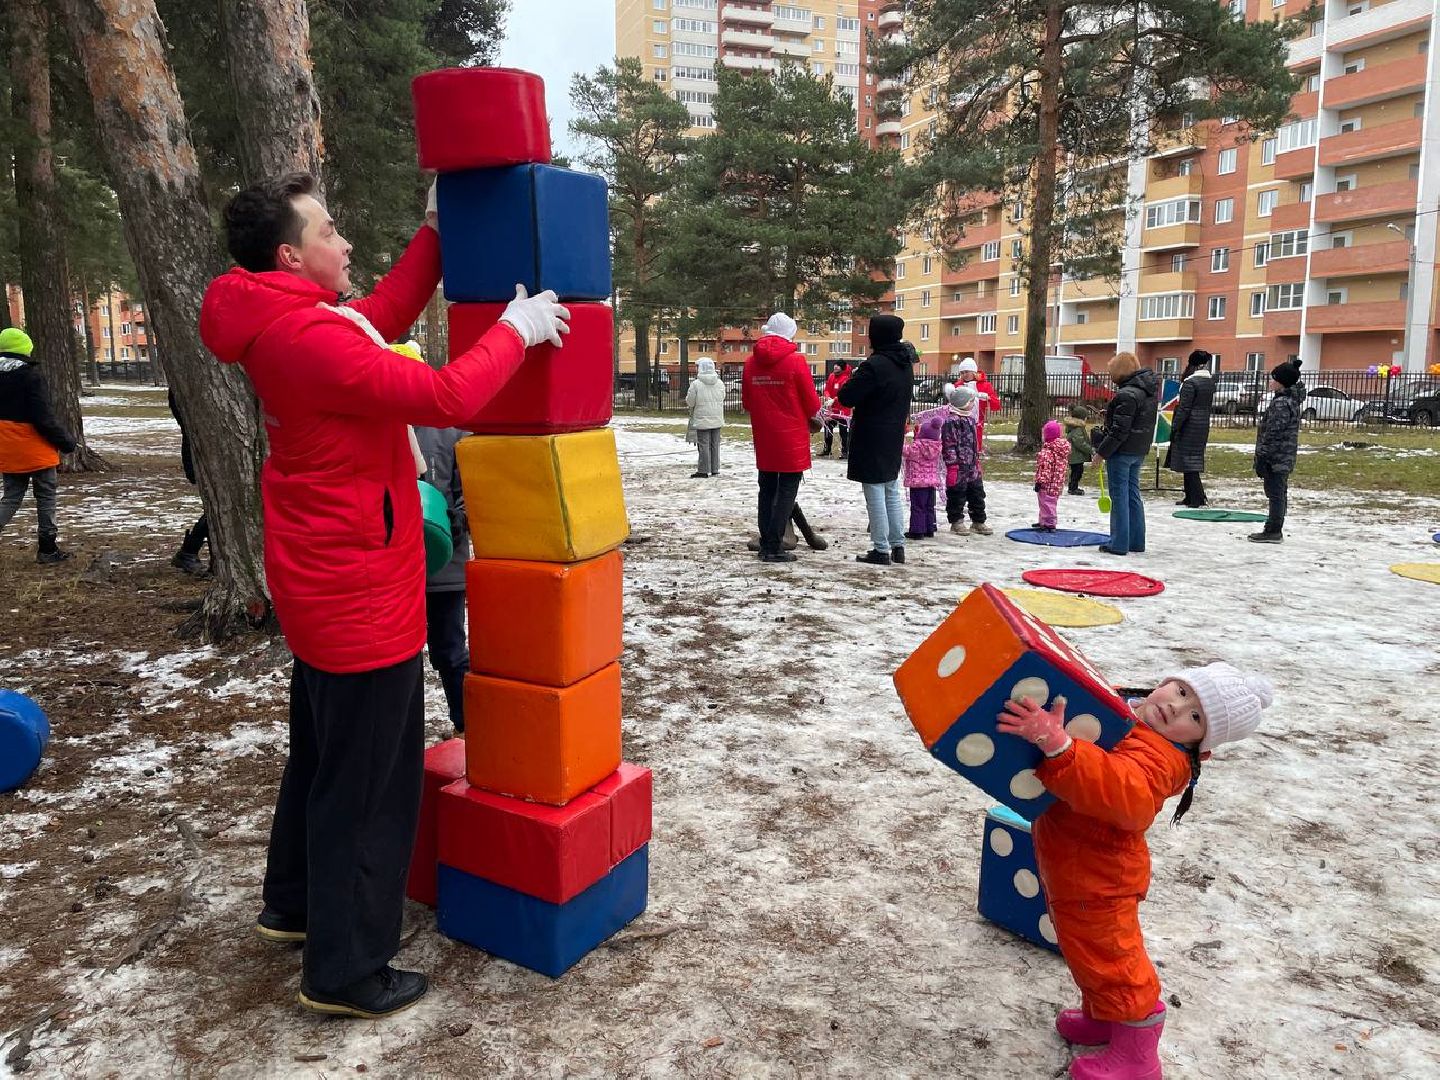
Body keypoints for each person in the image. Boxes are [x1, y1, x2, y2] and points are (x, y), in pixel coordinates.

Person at [199, 171, 569, 1018]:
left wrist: (437, 230)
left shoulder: (295, 319)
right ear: (291, 254)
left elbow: (386, 312)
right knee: (368, 784)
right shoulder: (310, 340)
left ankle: (292, 906)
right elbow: (446, 395)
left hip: (327, 578)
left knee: (324, 756)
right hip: (360, 589)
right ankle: (346, 970)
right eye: (331, 232)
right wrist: (514, 331)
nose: (347, 243)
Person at [996, 662, 1273, 1080]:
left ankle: (1138, 1055)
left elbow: (1124, 794)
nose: (1176, 710)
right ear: (1163, 683)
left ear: (1201, 745)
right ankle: (1107, 1016)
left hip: (1101, 878)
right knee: (1087, 954)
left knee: (1113, 962)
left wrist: (1060, 745)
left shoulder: (1162, 756)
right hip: (1073, 864)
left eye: (1196, 717)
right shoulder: (1129, 714)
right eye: (1181, 692)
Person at [741, 312, 820, 563]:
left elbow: (747, 401)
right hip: (791, 436)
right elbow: (811, 402)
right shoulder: (796, 361)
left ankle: (767, 541)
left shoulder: (750, 362)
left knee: (766, 490)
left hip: (765, 435)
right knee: (786, 491)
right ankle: (775, 546)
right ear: (789, 333)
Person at [839, 314, 913, 565]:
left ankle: (881, 549)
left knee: (874, 491)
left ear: (876, 336)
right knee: (891, 490)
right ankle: (898, 545)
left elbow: (847, 397)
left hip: (872, 435)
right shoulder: (905, 363)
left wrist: (857, 375)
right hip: (893, 435)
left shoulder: (875, 365)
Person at [0, 327, 76, 564]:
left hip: (6, 444)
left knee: (11, 497)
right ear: (25, 348)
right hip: (35, 446)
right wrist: (65, 442)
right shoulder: (31, 376)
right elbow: (43, 417)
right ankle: (47, 549)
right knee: (46, 497)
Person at [413, 424, 469, 734]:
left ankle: (470, 727)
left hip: (446, 569)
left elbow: (473, 490)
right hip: (395, 572)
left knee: (449, 651)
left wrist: (460, 517)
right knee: (401, 661)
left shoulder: (453, 433)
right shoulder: (385, 424)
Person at [1092, 352, 1158, 557]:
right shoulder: (1146, 391)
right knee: (1132, 495)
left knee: (1119, 496)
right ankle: (1136, 541)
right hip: (1138, 450)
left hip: (1121, 452)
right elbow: (1135, 421)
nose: (1110, 376)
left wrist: (1101, 453)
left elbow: (1120, 430)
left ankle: (1119, 543)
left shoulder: (1126, 395)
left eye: (1111, 372)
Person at [1250, 359, 1304, 544]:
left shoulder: (1281, 403)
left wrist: (1263, 456)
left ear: (1281, 381)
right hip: (1282, 456)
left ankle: (1273, 530)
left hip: (1277, 457)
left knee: (1275, 493)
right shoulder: (1289, 400)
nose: (1270, 382)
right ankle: (1273, 528)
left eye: (1273, 378)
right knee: (1277, 492)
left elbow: (1273, 433)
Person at [1166, 349, 1216, 508]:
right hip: (1202, 425)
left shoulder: (1190, 383)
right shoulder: (1209, 382)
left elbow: (1184, 408)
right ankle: (1191, 496)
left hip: (1189, 425)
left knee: (1188, 463)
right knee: (1192, 460)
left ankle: (1196, 498)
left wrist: (1175, 427)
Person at [168, 388, 210, 575]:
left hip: (202, 452)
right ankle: (189, 551)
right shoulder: (185, 386)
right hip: (200, 453)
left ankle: (191, 552)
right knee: (218, 507)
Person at [940, 383, 990, 536]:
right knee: (957, 493)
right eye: (970, 402)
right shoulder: (951, 421)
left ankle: (978, 521)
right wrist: (952, 464)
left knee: (977, 492)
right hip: (958, 466)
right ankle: (956, 521)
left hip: (972, 465)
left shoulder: (969, 420)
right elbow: (949, 444)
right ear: (962, 403)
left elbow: (973, 442)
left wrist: (976, 460)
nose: (972, 405)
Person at [902, 415, 944, 541]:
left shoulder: (916, 447)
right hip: (931, 483)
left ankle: (917, 530)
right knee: (929, 506)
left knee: (918, 506)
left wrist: (902, 437)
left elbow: (904, 451)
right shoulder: (937, 447)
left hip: (918, 483)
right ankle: (929, 529)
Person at [685, 357, 726, 478]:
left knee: (703, 445)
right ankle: (715, 469)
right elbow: (722, 397)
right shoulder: (720, 383)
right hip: (717, 418)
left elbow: (690, 402)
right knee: (715, 445)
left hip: (702, 419)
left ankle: (703, 470)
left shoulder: (696, 384)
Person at [1032, 419, 1070, 532]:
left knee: (1046, 503)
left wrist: (1040, 481)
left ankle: (1049, 524)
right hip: (1057, 484)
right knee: (1049, 503)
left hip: (1046, 484)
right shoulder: (1061, 451)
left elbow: (1045, 468)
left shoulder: (1047, 451)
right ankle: (1044, 521)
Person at [956, 357, 1000, 453]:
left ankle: (975, 459)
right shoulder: (958, 385)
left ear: (973, 372)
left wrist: (987, 398)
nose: (964, 375)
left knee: (975, 445)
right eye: (962, 373)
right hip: (960, 420)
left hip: (977, 421)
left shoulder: (985, 385)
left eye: (966, 372)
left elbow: (996, 404)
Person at [819, 359, 853, 458]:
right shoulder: (831, 376)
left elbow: (844, 393)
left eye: (838, 365)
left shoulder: (846, 379)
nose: (835, 367)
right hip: (831, 410)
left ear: (842, 368)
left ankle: (845, 452)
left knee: (843, 431)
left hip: (843, 409)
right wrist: (828, 396)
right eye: (835, 365)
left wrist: (834, 399)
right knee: (827, 428)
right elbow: (827, 389)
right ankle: (827, 449)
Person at [1063, 404, 1094, 495]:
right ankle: (1073, 488)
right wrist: (1091, 450)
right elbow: (1080, 443)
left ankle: (1073, 486)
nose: (1086, 419)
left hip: (1075, 455)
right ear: (1081, 418)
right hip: (1075, 456)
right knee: (1077, 472)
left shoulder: (1076, 427)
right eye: (1085, 417)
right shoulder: (1078, 428)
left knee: (1076, 472)